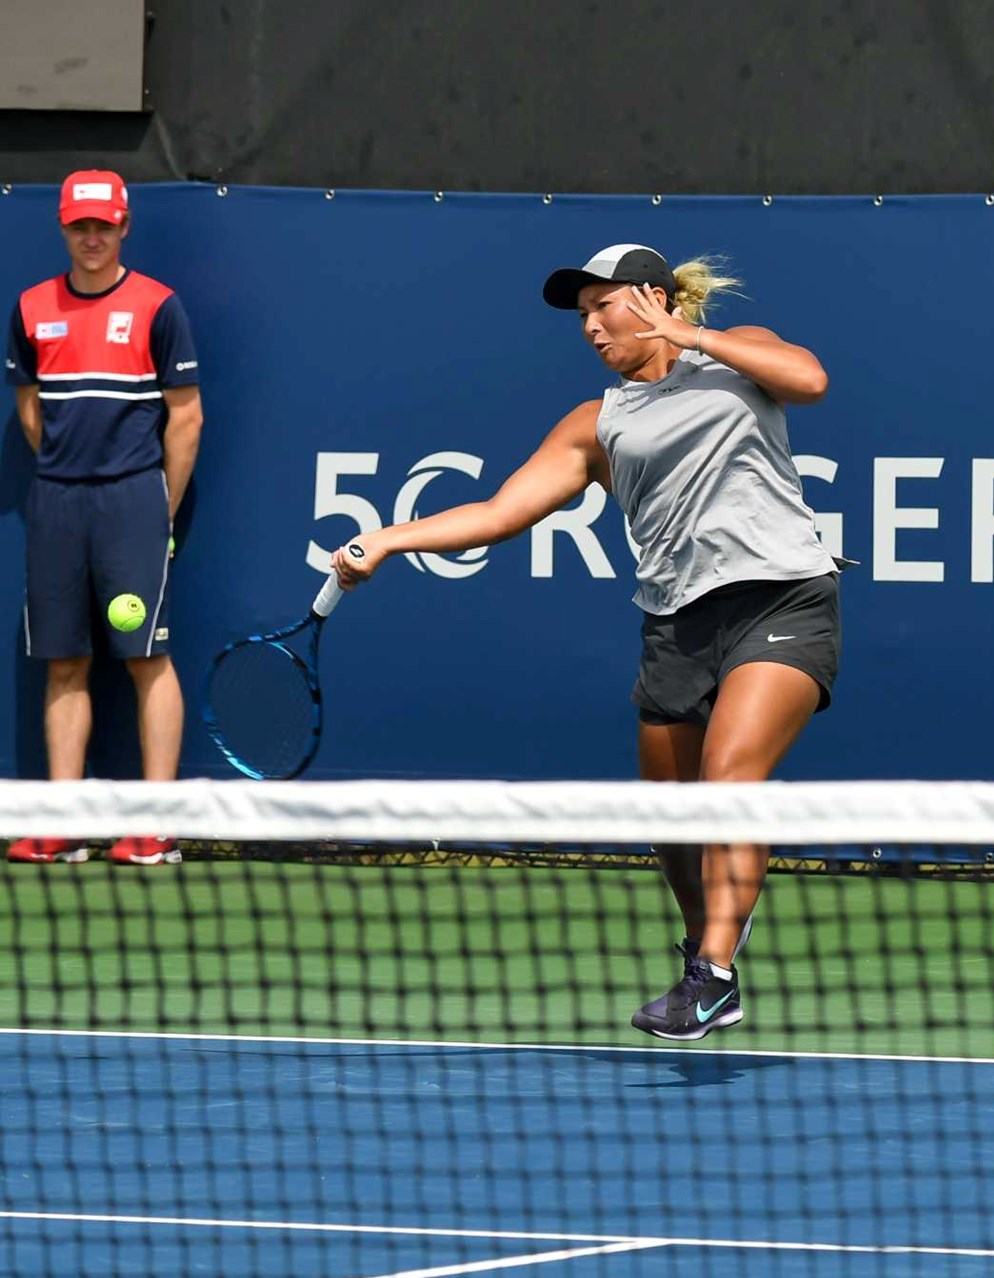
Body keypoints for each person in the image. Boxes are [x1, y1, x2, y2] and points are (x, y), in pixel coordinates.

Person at [333, 243, 838, 1041]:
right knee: (669, 818)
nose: (593, 327)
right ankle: (704, 950)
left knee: (729, 776)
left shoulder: (744, 360)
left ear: (650, 298)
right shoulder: (595, 425)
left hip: (782, 597)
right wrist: (390, 537)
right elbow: (501, 512)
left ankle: (712, 974)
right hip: (677, 622)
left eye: (605, 307)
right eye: (583, 316)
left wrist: (693, 337)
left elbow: (810, 381)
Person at [6, 170, 201, 866]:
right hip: (56, 502)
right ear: (63, 227)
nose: (92, 238)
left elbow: (186, 417)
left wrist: (158, 508)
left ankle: (156, 824)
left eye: (104, 225)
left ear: (124, 227)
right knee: (64, 662)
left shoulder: (158, 307)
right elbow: (30, 406)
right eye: (80, 226)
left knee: (147, 658)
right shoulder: (31, 309)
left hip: (132, 502)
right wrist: (65, 467)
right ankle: (62, 821)